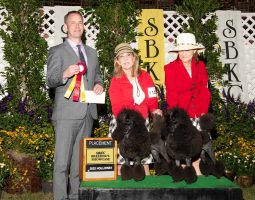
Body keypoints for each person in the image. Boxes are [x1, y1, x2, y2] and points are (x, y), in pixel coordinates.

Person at [46, 11, 103, 200]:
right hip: (66, 114)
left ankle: (76, 196)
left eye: (80, 22)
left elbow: (96, 77)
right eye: (72, 23)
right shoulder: (56, 51)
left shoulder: (92, 53)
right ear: (66, 27)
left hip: (87, 113)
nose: (77, 26)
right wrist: (65, 73)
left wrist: (99, 85)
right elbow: (51, 80)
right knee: (62, 164)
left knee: (78, 164)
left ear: (84, 26)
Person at [108, 43, 162, 174]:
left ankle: (147, 191)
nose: (126, 59)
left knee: (143, 160)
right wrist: (128, 122)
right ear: (118, 61)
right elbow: (116, 105)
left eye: (128, 55)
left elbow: (151, 96)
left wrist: (155, 109)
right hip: (123, 122)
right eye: (122, 57)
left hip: (143, 121)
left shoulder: (145, 76)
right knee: (121, 159)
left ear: (134, 58)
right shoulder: (115, 80)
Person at [164, 32, 211, 175]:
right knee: (182, 150)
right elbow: (171, 94)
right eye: (181, 50)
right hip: (181, 116)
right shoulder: (170, 68)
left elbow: (204, 89)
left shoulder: (201, 66)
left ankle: (198, 177)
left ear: (194, 51)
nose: (183, 53)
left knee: (199, 148)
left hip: (198, 113)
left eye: (187, 50)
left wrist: (204, 112)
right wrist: (175, 118)